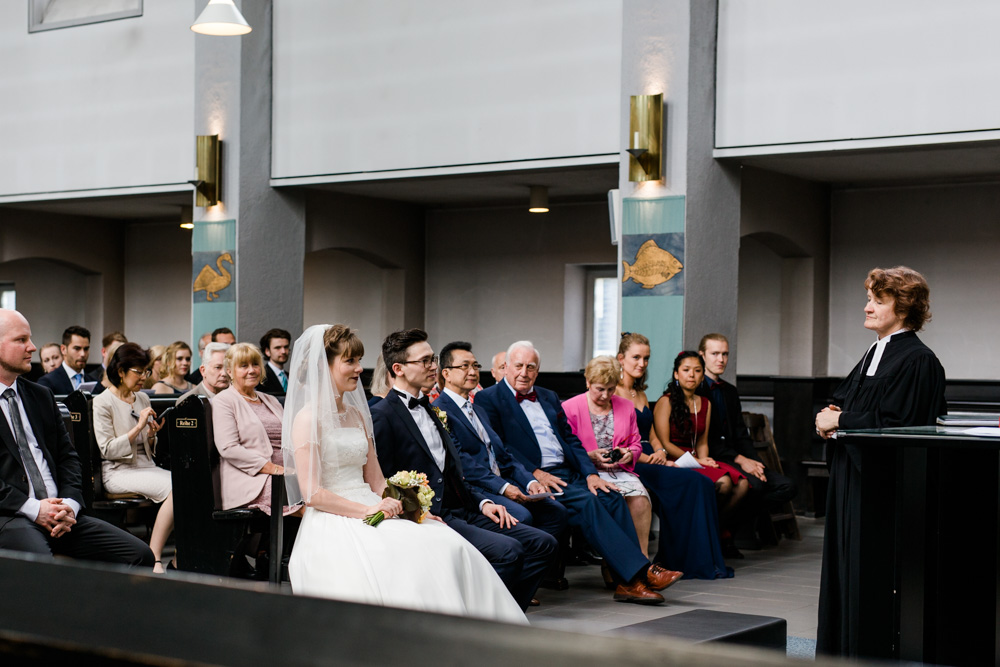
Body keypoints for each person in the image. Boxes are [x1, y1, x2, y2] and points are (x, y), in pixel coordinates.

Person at [282, 324, 526, 623]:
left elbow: (376, 479)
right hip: (334, 517)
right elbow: (311, 493)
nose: (360, 369)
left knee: (447, 543)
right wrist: (368, 509)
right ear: (324, 365)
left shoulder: (357, 414)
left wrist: (416, 510)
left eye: (359, 360)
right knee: (406, 559)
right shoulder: (307, 419)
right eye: (350, 361)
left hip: (374, 505)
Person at [477, 340, 682, 604]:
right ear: (506, 367)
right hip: (532, 477)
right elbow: (500, 448)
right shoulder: (488, 398)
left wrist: (591, 474)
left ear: (537, 371)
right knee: (587, 502)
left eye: (531, 367)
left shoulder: (548, 396)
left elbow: (571, 441)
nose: (524, 372)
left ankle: (626, 581)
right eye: (518, 366)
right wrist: (535, 474)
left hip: (568, 470)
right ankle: (638, 576)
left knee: (612, 496)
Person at [372, 329, 557, 611]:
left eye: (433, 359)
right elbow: (382, 480)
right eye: (425, 361)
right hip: (429, 514)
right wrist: (416, 513)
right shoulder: (383, 415)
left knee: (543, 543)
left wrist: (483, 503)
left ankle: (505, 614)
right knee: (510, 551)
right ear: (398, 369)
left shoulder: (433, 410)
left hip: (465, 506)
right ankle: (482, 619)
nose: (433, 366)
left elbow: (452, 471)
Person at [814, 266, 946, 657]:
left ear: (902, 307)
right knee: (843, 567)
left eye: (877, 299)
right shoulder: (876, 351)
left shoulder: (919, 360)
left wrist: (840, 420)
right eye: (869, 297)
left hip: (880, 487)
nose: (867, 306)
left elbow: (900, 424)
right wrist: (831, 418)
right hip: (849, 476)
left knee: (869, 574)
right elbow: (848, 402)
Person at [0, 309, 153, 567]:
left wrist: (69, 504)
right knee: (42, 565)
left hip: (61, 514)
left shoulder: (40, 395)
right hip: (11, 515)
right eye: (21, 340)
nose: (32, 347)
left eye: (30, 338)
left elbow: (68, 457)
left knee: (140, 555)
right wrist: (35, 509)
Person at [616, 333, 731, 579]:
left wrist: (659, 451)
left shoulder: (641, 393)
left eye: (646, 358)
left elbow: (653, 435)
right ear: (620, 359)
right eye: (636, 357)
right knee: (693, 481)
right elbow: (617, 441)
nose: (642, 363)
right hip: (631, 462)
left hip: (653, 457)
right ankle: (678, 558)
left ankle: (693, 559)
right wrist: (650, 458)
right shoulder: (613, 393)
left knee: (701, 481)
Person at [433, 341, 568, 541]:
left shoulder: (477, 407)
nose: (472, 371)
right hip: (477, 488)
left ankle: (542, 570)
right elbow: (463, 462)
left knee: (556, 512)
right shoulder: (439, 410)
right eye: (464, 366)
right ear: (446, 374)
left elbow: (503, 453)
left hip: (503, 479)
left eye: (475, 366)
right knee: (522, 516)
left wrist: (530, 481)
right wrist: (503, 488)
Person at [699, 333, 797, 539]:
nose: (721, 359)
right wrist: (741, 460)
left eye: (725, 354)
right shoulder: (696, 390)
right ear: (702, 355)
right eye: (715, 353)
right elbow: (706, 440)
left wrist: (755, 463)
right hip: (715, 457)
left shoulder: (730, 391)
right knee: (756, 486)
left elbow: (741, 433)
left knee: (786, 486)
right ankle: (722, 535)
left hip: (737, 456)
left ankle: (726, 528)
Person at [92, 343, 174, 572]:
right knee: (177, 487)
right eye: (139, 372)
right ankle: (155, 556)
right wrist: (138, 428)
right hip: (118, 471)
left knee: (189, 484)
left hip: (145, 466)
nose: (144, 378)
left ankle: (179, 555)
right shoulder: (102, 402)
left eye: (146, 371)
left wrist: (151, 435)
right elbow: (106, 450)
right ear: (120, 371)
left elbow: (148, 448)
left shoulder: (141, 399)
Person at [653, 351, 749, 547]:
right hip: (673, 459)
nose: (692, 375)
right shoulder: (666, 401)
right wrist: (697, 462)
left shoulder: (705, 402)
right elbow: (665, 443)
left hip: (696, 457)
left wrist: (704, 461)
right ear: (676, 374)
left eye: (697, 371)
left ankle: (709, 530)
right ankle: (703, 533)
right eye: (686, 370)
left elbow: (702, 442)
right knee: (724, 484)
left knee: (743, 484)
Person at [562, 356, 652, 557]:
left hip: (619, 470)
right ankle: (613, 562)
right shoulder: (570, 408)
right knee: (613, 499)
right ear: (588, 382)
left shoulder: (626, 406)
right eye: (600, 389)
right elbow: (566, 449)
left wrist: (628, 453)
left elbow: (636, 443)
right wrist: (590, 456)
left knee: (640, 499)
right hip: (587, 472)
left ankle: (642, 560)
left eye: (611, 389)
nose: (605, 395)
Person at [211, 343, 298, 517]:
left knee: (317, 487)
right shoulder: (224, 401)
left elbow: (290, 439)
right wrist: (273, 468)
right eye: (244, 366)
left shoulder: (271, 400)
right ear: (229, 371)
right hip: (250, 479)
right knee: (307, 504)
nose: (251, 370)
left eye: (255, 364)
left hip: (286, 473)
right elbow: (228, 448)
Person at [37, 325, 91, 395]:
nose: (83, 354)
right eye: (77, 348)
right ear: (63, 349)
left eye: (86, 349)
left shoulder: (95, 382)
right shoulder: (47, 382)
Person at [258, 328, 291, 394]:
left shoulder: (290, 377)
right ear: (267, 351)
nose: (283, 351)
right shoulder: (260, 376)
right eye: (278, 348)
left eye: (286, 347)